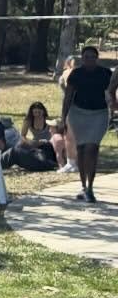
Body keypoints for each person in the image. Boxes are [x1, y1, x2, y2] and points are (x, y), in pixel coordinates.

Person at [62, 44, 111, 203]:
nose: (89, 60)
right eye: (86, 57)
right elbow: (68, 96)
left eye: (92, 57)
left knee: (92, 148)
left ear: (97, 58)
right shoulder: (76, 74)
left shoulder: (105, 73)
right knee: (81, 149)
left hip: (99, 114)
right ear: (82, 59)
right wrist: (63, 118)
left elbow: (112, 92)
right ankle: (84, 187)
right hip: (78, 114)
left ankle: (91, 186)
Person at [15, 101, 63, 171]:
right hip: (35, 142)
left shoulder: (48, 120)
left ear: (43, 112)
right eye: (35, 113)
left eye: (39, 112)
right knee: (20, 145)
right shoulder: (28, 120)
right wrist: (29, 142)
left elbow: (56, 133)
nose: (37, 115)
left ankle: (51, 162)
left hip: (48, 143)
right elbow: (23, 135)